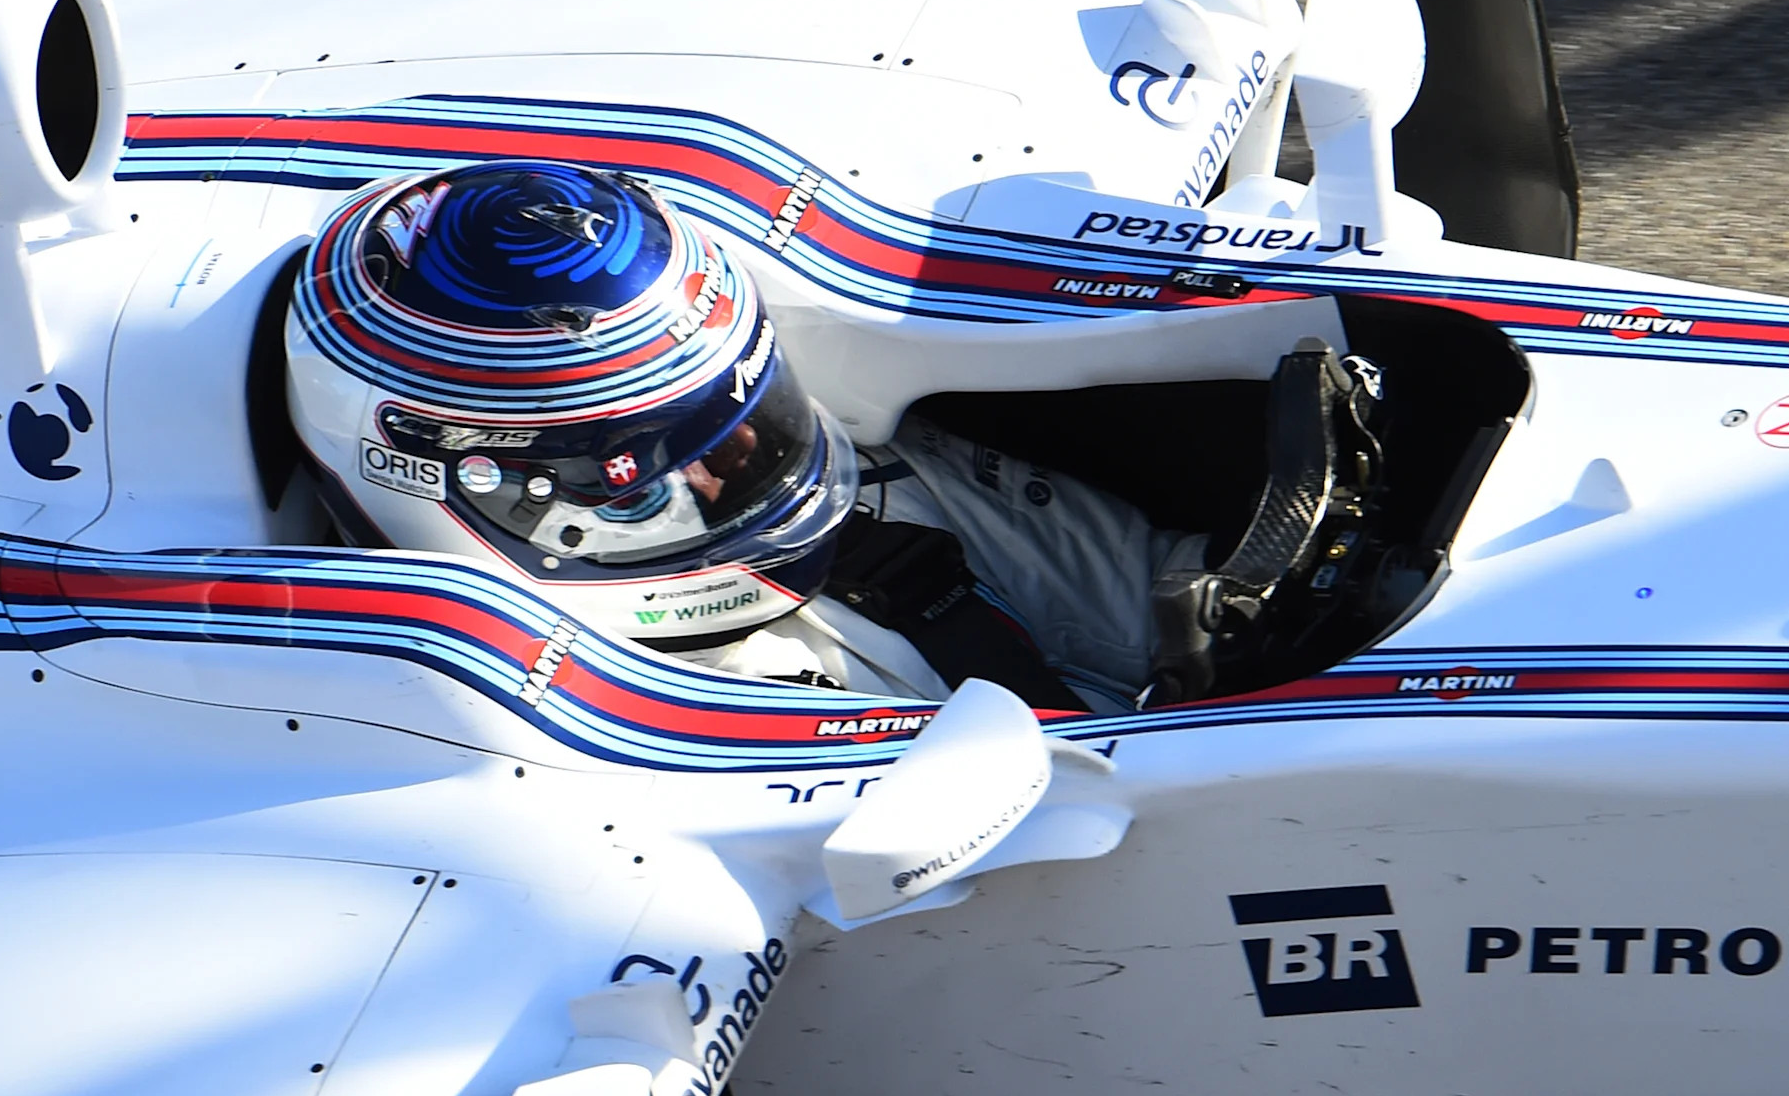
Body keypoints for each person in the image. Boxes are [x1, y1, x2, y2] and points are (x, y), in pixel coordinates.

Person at [281, 160, 1188, 712]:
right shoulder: (602, 750)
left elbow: (1166, 591)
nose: (750, 459)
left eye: (749, 415)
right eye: (646, 483)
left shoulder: (856, 493)